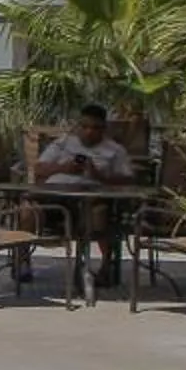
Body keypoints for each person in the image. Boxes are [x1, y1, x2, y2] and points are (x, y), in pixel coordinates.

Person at [35, 105, 136, 286]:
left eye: (96, 128)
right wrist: (64, 168)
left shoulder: (115, 150)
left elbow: (129, 179)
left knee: (102, 212)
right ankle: (23, 261)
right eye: (85, 127)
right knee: (27, 207)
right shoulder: (63, 143)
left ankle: (103, 266)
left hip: (92, 197)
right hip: (56, 194)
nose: (89, 132)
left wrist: (100, 175)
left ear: (104, 129)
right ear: (78, 126)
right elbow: (39, 168)